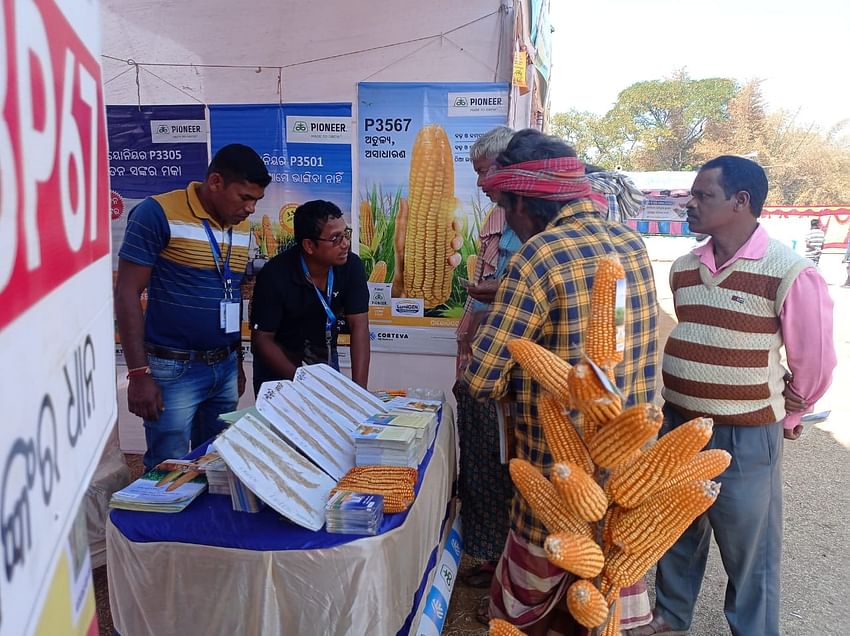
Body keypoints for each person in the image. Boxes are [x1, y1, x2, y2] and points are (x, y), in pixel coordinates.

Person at [462, 129, 659, 635]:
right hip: (623, 475)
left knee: (530, 619)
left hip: (555, 482)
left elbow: (482, 378)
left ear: (526, 202)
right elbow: (616, 342)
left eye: (506, 207)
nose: (508, 221)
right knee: (600, 610)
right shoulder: (631, 245)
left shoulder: (539, 256)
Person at [630, 156, 836, 636]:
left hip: (744, 434)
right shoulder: (682, 269)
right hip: (679, 422)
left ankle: (753, 629)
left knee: (749, 544)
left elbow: (816, 359)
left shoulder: (790, 270)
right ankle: (670, 615)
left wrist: (794, 409)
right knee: (674, 526)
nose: (689, 203)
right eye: (691, 194)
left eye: (703, 195)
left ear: (741, 201)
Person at [115, 143, 271, 471]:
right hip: (173, 370)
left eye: (256, 200)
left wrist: (236, 362)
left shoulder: (241, 228)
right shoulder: (156, 213)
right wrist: (139, 374)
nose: (251, 209)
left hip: (224, 367)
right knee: (169, 469)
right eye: (245, 197)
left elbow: (230, 295)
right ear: (215, 182)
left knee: (215, 463)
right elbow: (127, 292)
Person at [453, 126, 518, 601]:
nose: (478, 183)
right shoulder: (496, 217)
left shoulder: (535, 224)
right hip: (482, 352)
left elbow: (522, 287)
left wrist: (490, 293)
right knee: (482, 461)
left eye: (483, 172)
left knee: (509, 464)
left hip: (512, 366)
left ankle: (513, 568)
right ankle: (493, 555)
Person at [250, 200, 370, 394]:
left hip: (325, 362)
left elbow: (359, 326)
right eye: (335, 238)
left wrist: (360, 392)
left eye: (346, 234)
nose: (345, 244)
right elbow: (262, 341)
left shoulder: (351, 266)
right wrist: (306, 383)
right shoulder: (275, 274)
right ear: (309, 245)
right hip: (280, 369)